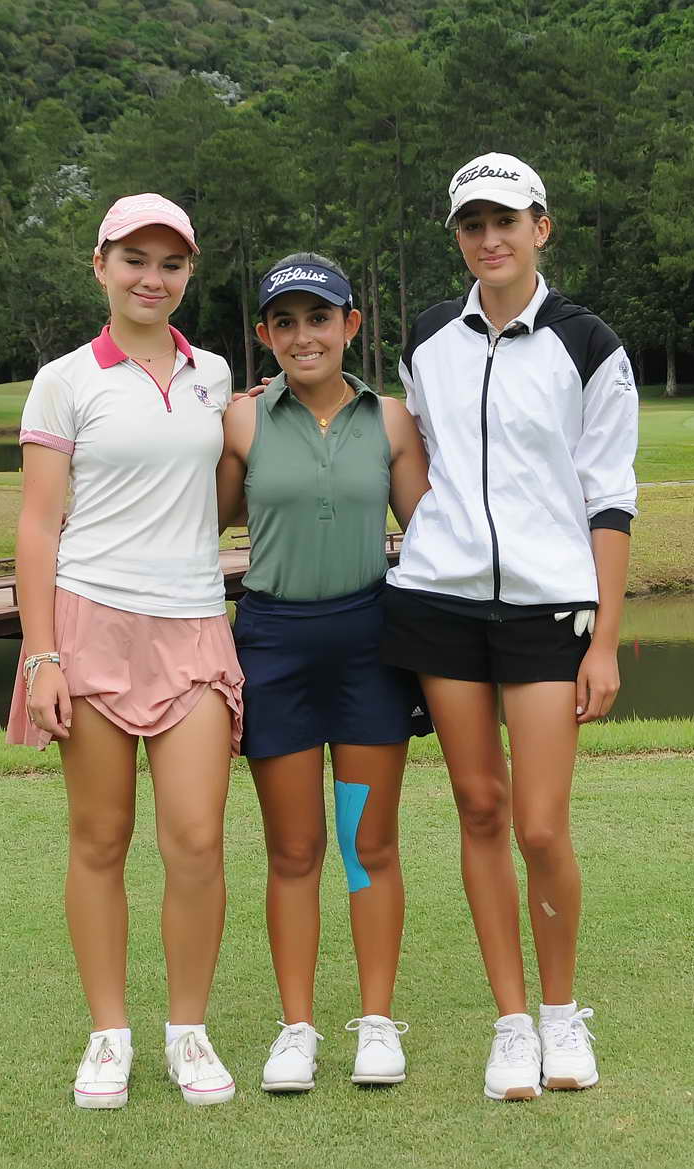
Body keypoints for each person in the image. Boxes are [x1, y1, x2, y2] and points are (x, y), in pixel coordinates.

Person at [381, 154, 638, 1101]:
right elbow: (417, 458)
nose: (489, 239)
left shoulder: (588, 343)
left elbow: (609, 499)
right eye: (472, 224)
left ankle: (563, 1012)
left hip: (547, 607)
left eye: (506, 221)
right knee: (480, 807)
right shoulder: (426, 339)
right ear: (458, 235)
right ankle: (513, 1023)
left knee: (538, 822)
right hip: (442, 603)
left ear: (541, 227)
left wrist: (603, 640)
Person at [8, 192, 244, 1109]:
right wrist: (41, 655)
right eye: (134, 259)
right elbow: (38, 525)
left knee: (196, 838)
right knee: (101, 837)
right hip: (90, 623)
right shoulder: (65, 379)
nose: (153, 278)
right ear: (100, 265)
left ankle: (189, 1030)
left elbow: (218, 491)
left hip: (193, 623)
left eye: (171, 263)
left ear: (188, 274)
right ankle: (109, 1034)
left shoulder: (213, 374)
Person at [216, 253, 432, 1093]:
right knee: (295, 847)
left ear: (351, 325)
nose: (303, 336)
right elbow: (196, 526)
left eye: (320, 318)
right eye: (286, 322)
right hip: (275, 645)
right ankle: (296, 1029)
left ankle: (376, 1023)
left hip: (369, 645)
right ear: (265, 334)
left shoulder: (392, 421)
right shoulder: (242, 421)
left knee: (367, 841)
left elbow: (433, 531)